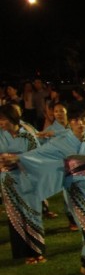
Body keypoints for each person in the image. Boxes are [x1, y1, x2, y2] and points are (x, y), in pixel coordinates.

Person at [6, 103, 85, 275]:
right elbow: (39, 154)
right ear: (70, 122)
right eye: (76, 120)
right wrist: (18, 158)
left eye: (83, 120)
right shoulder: (61, 142)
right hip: (73, 186)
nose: (80, 124)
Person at [0, 104, 44, 262]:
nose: (1, 123)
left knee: (31, 212)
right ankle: (23, 253)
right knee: (15, 214)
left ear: (12, 119)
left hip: (26, 178)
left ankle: (37, 251)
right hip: (8, 180)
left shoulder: (28, 136)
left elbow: (39, 157)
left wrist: (18, 158)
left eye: (3, 119)